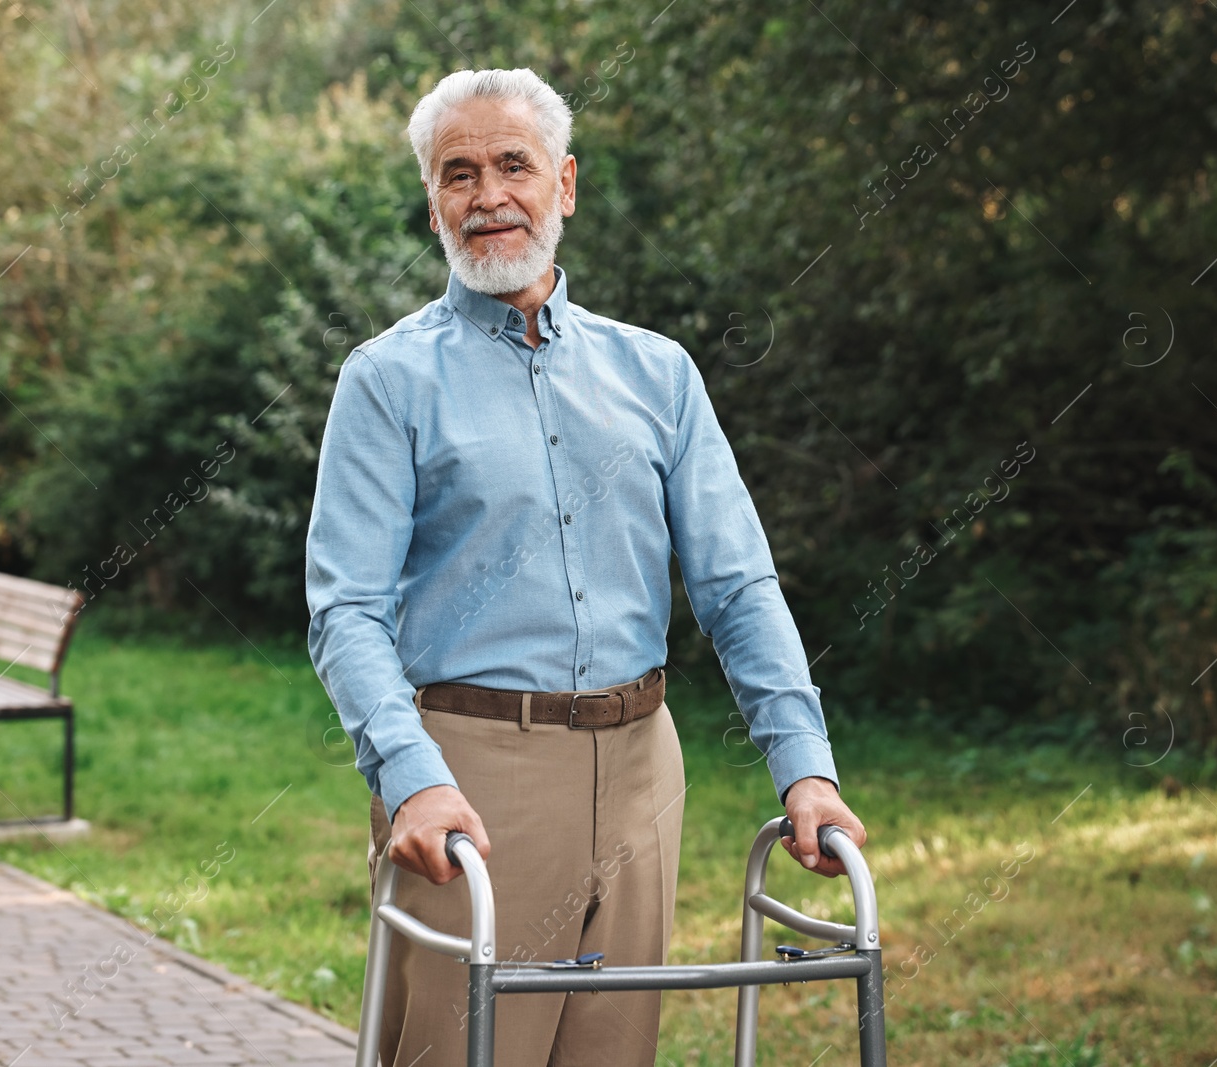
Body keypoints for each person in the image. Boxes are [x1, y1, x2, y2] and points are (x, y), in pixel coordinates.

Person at [305, 66, 867, 1067]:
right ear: (432, 202)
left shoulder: (657, 372)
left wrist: (805, 768)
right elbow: (343, 610)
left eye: (512, 165)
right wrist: (411, 775)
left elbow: (737, 584)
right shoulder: (388, 379)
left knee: (614, 1051)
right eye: (458, 173)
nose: (488, 197)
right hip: (472, 769)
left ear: (563, 184)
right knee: (464, 1049)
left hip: (644, 761)